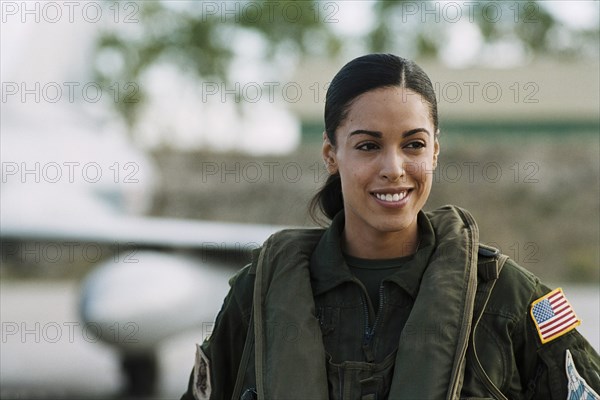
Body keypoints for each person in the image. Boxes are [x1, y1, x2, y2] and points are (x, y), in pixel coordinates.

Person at [181, 54, 600, 400]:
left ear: (435, 151)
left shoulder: (512, 297)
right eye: (368, 146)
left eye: (413, 145)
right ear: (331, 154)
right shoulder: (257, 293)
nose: (394, 169)